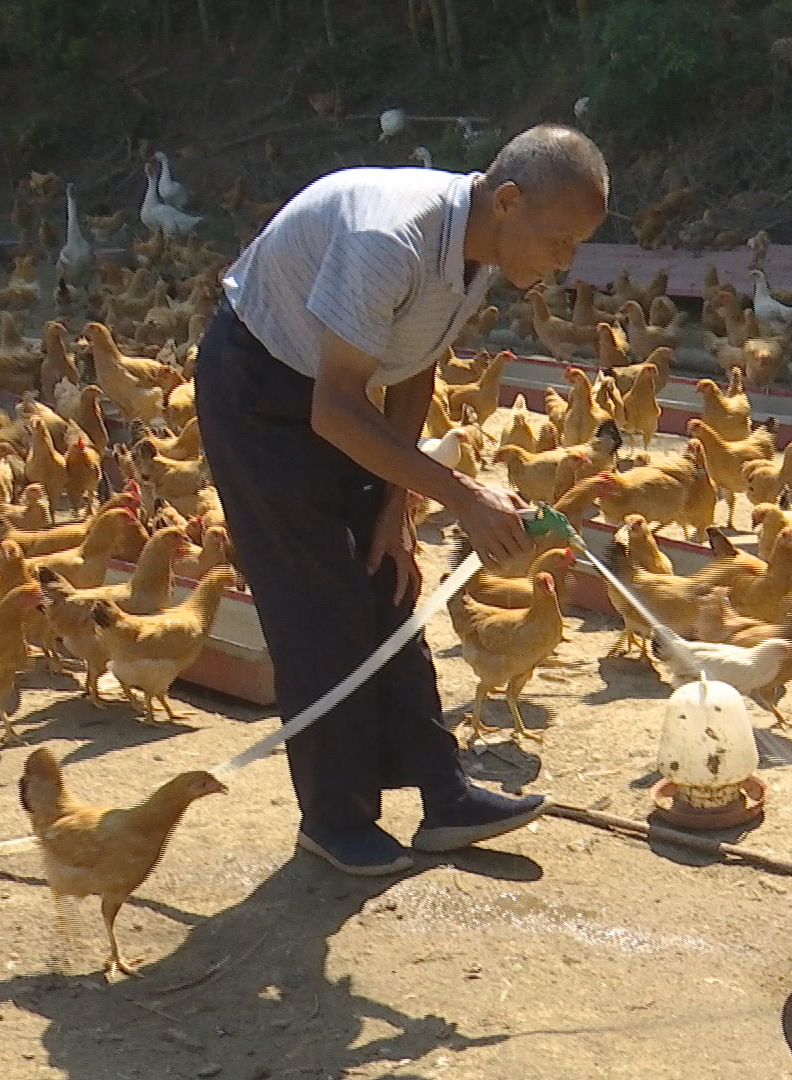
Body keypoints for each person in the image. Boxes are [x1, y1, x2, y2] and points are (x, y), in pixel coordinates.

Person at [198, 124, 609, 876]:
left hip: (334, 391)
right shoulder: (391, 238)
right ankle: (334, 819)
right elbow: (335, 409)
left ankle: (443, 793)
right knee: (316, 599)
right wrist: (462, 496)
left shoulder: (478, 248)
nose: (565, 261)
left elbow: (416, 363)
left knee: (390, 576)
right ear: (510, 201)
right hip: (260, 389)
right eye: (560, 240)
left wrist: (398, 507)